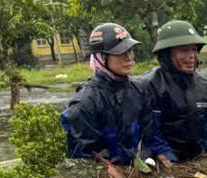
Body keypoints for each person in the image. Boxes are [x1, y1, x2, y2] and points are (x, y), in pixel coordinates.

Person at [62, 22, 171, 165]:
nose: (129, 57)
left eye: (130, 50)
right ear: (101, 57)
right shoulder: (85, 103)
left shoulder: (140, 90)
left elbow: (150, 134)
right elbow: (85, 158)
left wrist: (154, 154)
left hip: (138, 173)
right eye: (120, 52)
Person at [142, 20, 207, 163]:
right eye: (184, 50)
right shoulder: (151, 86)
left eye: (194, 50)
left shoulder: (205, 86)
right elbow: (153, 135)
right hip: (166, 164)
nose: (192, 56)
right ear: (166, 54)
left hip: (199, 162)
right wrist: (171, 161)